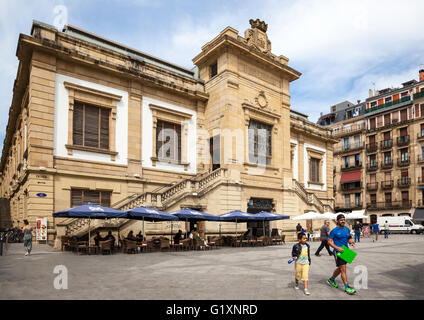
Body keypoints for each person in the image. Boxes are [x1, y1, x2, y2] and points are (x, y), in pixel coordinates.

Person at [327, 214, 357, 295]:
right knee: (343, 269)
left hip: (346, 251)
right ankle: (347, 287)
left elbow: (349, 238)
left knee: (341, 268)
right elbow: (329, 242)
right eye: (341, 220)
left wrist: (351, 242)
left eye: (344, 219)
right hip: (338, 251)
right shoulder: (334, 231)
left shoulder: (347, 229)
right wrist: (337, 247)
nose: (343, 221)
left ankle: (331, 279)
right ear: (337, 221)